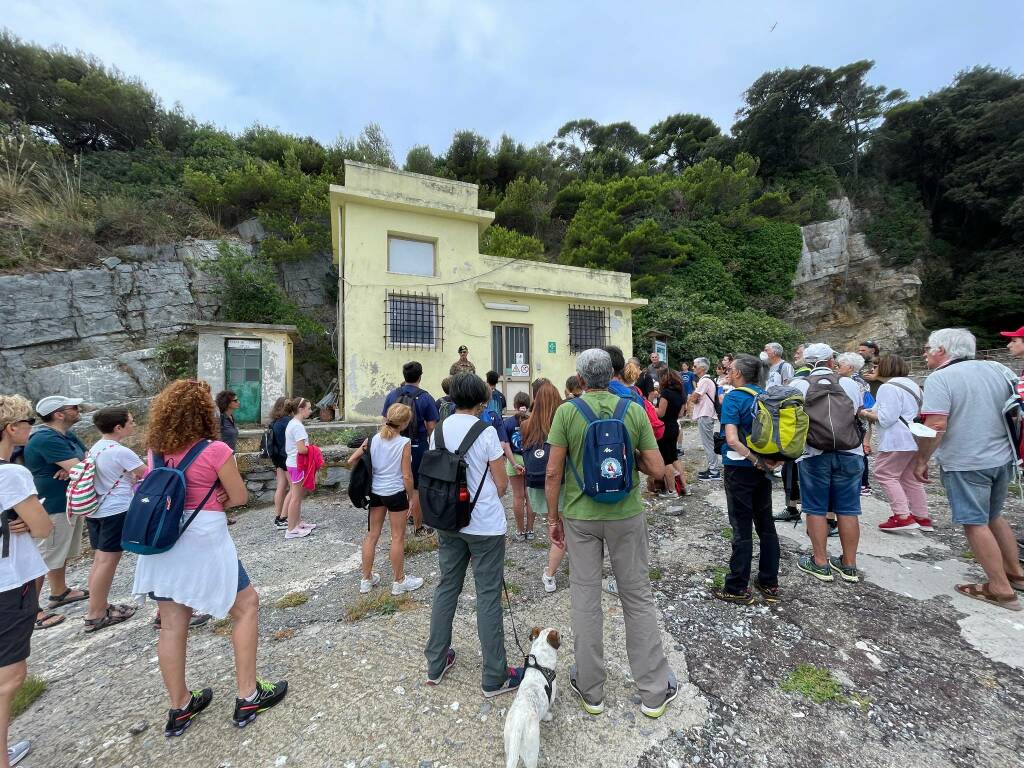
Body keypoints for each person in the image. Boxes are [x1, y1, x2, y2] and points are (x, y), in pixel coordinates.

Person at [131, 380, 287, 736]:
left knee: (171, 624)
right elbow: (239, 497)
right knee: (246, 605)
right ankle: (248, 694)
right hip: (202, 539)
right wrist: (216, 496)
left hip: (163, 541)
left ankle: (180, 705)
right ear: (205, 413)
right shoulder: (214, 451)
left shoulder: (155, 450)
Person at [545, 349, 677, 719]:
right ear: (614, 374)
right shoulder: (632, 409)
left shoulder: (567, 412)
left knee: (585, 598)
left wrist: (553, 519)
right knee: (637, 597)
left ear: (581, 379)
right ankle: (653, 690)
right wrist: (626, 455)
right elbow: (655, 467)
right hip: (625, 515)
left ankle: (591, 690)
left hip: (580, 517)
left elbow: (553, 473)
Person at [424, 373, 524, 697]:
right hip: (484, 526)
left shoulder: (438, 431)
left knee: (446, 587)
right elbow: (501, 483)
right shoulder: (486, 432)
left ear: (452, 398)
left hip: (448, 522)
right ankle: (494, 675)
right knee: (488, 595)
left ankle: (436, 662)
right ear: (482, 401)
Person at [914, 328, 1024, 610]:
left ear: (941, 350)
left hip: (966, 460)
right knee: (994, 515)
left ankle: (999, 588)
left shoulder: (941, 378)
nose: (925, 353)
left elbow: (936, 425)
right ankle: (1016, 573)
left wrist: (922, 460)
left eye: (928, 348)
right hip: (1001, 457)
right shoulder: (998, 369)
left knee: (975, 521)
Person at [0, 395, 54, 768]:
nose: (29, 428)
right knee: (8, 677)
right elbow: (43, 527)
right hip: (10, 581)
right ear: (10, 429)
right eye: (26, 422)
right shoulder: (11, 474)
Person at [790, 344, 866, 583]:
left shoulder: (798, 385)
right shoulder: (850, 384)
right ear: (831, 361)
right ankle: (849, 564)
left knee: (815, 508)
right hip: (851, 452)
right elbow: (858, 413)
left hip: (814, 453)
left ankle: (820, 562)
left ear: (807, 363)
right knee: (848, 509)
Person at [713, 354, 781, 604]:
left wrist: (754, 460)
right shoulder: (766, 396)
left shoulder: (734, 398)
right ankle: (769, 582)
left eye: (730, 369)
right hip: (764, 470)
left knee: (741, 527)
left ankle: (737, 586)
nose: (728, 372)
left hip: (740, 468)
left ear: (739, 373)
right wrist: (768, 463)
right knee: (766, 525)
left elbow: (731, 439)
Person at [23, 395, 87, 630]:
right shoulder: (45, 438)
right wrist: (73, 468)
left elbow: (85, 460)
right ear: (59, 414)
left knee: (59, 551)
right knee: (44, 556)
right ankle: (30, 612)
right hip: (51, 504)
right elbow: (80, 466)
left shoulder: (65, 434)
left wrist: (73, 468)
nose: (78, 410)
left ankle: (59, 592)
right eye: (73, 407)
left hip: (66, 501)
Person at [347, 404, 423, 596]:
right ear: (405, 423)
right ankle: (399, 581)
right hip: (395, 492)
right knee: (397, 537)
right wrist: (411, 496)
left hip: (376, 492)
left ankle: (366, 579)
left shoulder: (372, 439)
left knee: (372, 535)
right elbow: (407, 475)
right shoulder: (403, 442)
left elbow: (351, 460)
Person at [82, 408, 147, 632]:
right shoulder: (120, 452)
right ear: (118, 427)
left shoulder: (95, 448)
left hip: (96, 510)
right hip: (116, 510)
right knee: (108, 561)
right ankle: (96, 613)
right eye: (131, 421)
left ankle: (98, 605)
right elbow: (147, 473)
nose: (134, 424)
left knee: (100, 560)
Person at [858, 355, 931, 532]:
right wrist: (873, 411)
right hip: (913, 438)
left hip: (896, 439)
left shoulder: (888, 387)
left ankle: (902, 516)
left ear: (886, 368)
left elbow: (886, 418)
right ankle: (922, 516)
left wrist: (865, 414)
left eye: (876, 366)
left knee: (884, 473)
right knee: (909, 478)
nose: (873, 369)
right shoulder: (912, 385)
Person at [382, 362, 440, 537]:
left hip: (393, 443)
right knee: (416, 486)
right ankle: (418, 526)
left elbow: (385, 420)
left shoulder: (392, 395)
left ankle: (398, 522)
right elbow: (432, 427)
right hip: (417, 445)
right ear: (420, 376)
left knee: (396, 481)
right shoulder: (426, 398)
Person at [520, 382, 567, 592]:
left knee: (558, 532)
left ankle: (550, 575)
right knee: (566, 534)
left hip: (538, 488)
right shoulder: (562, 422)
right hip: (563, 485)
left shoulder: (526, 424)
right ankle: (550, 574)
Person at [837, 352, 874, 498]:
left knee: (857, 453)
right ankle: (862, 484)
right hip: (860, 422)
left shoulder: (852, 382)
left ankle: (862, 484)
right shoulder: (861, 381)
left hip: (855, 422)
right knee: (858, 452)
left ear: (850, 367)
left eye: (841, 364)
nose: (837, 366)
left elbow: (854, 405)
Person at [283, 397, 317, 540]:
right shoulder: (297, 426)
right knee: (296, 497)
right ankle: (291, 529)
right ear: (301, 409)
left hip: (292, 463)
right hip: (297, 464)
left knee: (297, 496)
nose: (310, 411)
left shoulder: (293, 423)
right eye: (308, 408)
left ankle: (297, 523)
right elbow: (302, 449)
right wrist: (314, 450)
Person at [503, 392, 533, 540]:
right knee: (530, 496)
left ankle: (520, 532)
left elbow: (505, 445)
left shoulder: (507, 423)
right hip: (531, 460)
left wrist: (514, 463)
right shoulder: (534, 421)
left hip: (514, 459)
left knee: (517, 496)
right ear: (528, 405)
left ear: (514, 405)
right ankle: (531, 530)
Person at [653, 368, 687, 500]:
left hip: (664, 428)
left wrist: (650, 407)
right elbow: (680, 413)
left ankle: (672, 491)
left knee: (666, 460)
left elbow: (660, 413)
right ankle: (684, 487)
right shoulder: (680, 393)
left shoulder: (666, 393)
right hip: (674, 426)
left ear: (664, 379)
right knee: (674, 457)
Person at [690, 358, 721, 481]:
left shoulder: (704, 381)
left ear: (702, 368)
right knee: (708, 443)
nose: (693, 368)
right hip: (706, 413)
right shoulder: (706, 380)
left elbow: (694, 397)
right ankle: (712, 468)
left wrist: (694, 397)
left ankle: (714, 471)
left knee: (708, 444)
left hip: (705, 414)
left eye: (695, 366)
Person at [268, 397, 291, 529]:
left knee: (281, 486)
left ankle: (278, 516)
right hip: (286, 456)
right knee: (293, 488)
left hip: (277, 457)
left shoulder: (275, 422)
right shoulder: (287, 421)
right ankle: (284, 517)